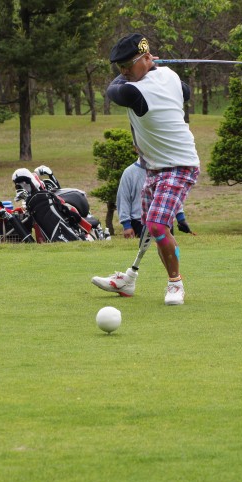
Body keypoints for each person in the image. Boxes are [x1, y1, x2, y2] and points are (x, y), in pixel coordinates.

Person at [92, 33, 200, 305]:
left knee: (157, 225)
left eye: (128, 66)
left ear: (146, 58)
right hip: (154, 166)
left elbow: (114, 90)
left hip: (179, 165)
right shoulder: (171, 76)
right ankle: (129, 278)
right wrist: (151, 67)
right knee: (151, 226)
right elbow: (185, 90)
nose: (125, 72)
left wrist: (143, 70)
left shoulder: (134, 90)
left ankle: (175, 284)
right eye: (120, 68)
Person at [117, 158, 193, 239]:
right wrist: (126, 225)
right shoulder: (129, 173)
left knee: (168, 251)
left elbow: (172, 196)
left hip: (164, 222)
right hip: (139, 224)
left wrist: (181, 218)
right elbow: (123, 200)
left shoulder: (164, 170)